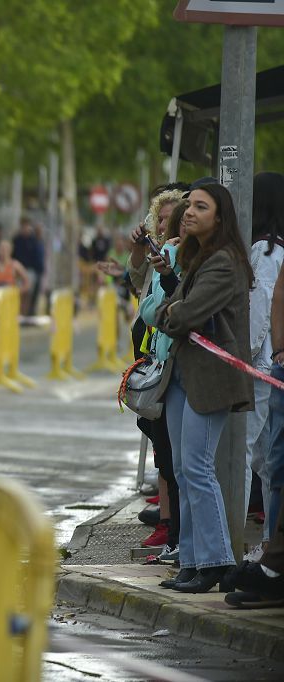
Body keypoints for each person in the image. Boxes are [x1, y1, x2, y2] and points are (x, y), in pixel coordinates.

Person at [147, 183, 254, 594]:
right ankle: (191, 560)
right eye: (188, 205)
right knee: (181, 469)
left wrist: (168, 311)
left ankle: (214, 560)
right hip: (182, 375)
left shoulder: (225, 262)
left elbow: (183, 315)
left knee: (197, 468)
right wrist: (171, 302)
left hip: (210, 379)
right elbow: (175, 305)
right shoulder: (198, 258)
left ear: (219, 218)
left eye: (200, 207)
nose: (188, 212)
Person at [135, 200, 186, 560]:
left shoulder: (209, 258)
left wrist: (169, 307)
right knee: (168, 456)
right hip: (162, 361)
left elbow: (190, 309)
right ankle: (175, 536)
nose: (165, 225)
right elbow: (149, 310)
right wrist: (168, 308)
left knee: (187, 465)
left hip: (187, 368)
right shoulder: (166, 252)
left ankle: (186, 540)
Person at [246, 172, 284, 563]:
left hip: (261, 369)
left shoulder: (266, 251)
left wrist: (243, 355)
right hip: (270, 365)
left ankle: (271, 544)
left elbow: (259, 317)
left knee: (261, 459)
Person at [12, 218, 44, 315]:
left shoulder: (33, 240)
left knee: (28, 293)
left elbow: (37, 257)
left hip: (30, 271)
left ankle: (26, 314)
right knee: (19, 293)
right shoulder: (16, 240)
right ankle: (19, 313)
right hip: (18, 270)